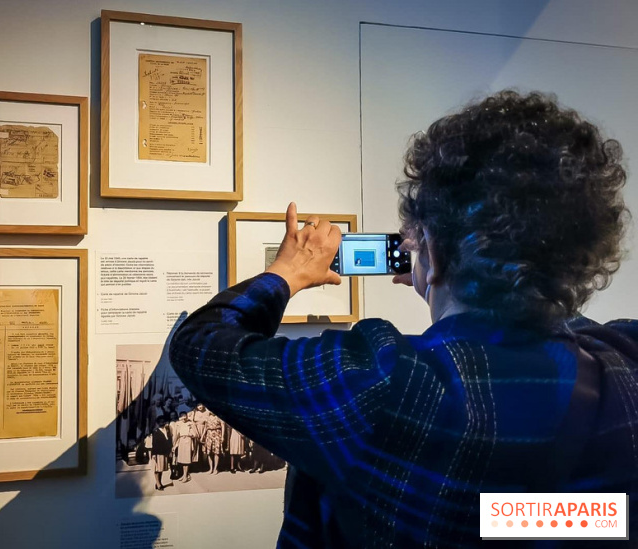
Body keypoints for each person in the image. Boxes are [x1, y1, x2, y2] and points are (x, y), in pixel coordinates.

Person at [169, 91, 637, 547]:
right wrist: (452, 282)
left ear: (429, 251)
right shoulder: (625, 362)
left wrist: (287, 274)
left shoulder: (385, 385)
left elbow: (202, 344)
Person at [144, 415, 172, 491]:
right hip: (157, 453)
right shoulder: (154, 431)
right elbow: (152, 444)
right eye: (160, 421)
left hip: (164, 452)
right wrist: (153, 454)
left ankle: (159, 483)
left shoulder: (167, 430)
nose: (162, 423)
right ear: (158, 423)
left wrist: (169, 451)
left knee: (161, 469)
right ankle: (158, 484)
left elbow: (169, 441)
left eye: (163, 421)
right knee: (156, 469)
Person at [171, 411, 197, 483]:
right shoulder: (178, 424)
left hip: (188, 441)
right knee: (182, 460)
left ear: (187, 416)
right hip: (181, 441)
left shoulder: (191, 423)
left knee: (186, 459)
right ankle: (183, 474)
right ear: (180, 417)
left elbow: (196, 434)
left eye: (184, 416)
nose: (183, 417)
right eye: (182, 416)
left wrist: (190, 434)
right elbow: (176, 436)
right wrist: (174, 445)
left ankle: (185, 475)